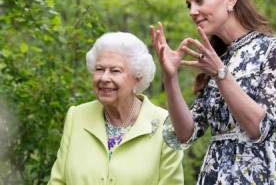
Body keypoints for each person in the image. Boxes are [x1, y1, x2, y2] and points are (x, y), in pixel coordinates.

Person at [150, 0, 276, 184]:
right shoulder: (216, 59)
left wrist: (221, 74)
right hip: (213, 177)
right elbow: (185, 134)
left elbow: (260, 129)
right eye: (189, 5)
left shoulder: (273, 50)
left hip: (256, 177)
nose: (192, 11)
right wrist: (170, 77)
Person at [48, 32, 184, 185]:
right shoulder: (77, 116)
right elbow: (57, 181)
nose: (104, 78)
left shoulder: (165, 124)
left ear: (138, 78)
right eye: (99, 69)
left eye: (115, 71)